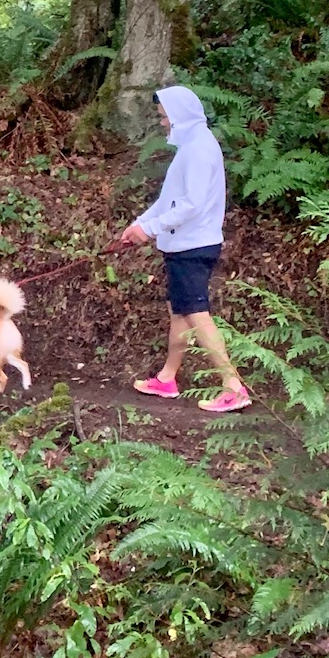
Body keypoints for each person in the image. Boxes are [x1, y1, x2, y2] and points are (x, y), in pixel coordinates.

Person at [115, 85, 251, 414]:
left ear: (181, 116)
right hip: (183, 245)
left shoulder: (200, 149)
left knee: (195, 313)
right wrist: (139, 225)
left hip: (194, 246)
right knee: (180, 312)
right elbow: (168, 200)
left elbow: (192, 204)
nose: (163, 123)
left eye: (165, 117)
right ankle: (167, 378)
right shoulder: (190, 147)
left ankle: (233, 385)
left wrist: (149, 229)